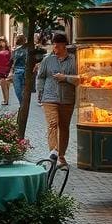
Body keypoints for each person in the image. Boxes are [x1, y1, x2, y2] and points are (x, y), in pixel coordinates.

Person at [36, 33, 78, 166]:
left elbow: (79, 79)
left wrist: (65, 77)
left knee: (64, 127)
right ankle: (53, 153)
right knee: (52, 124)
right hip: (49, 97)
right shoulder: (48, 60)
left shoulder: (73, 60)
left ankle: (61, 155)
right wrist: (40, 94)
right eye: (54, 45)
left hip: (67, 98)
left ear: (64, 45)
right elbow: (41, 76)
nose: (55, 48)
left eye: (58, 45)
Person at [0, 36, 12, 106]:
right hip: (0, 69)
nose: (2, 42)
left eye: (3, 41)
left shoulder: (9, 50)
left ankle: (6, 100)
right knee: (3, 84)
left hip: (7, 68)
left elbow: (11, 60)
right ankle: (5, 99)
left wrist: (11, 69)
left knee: (6, 85)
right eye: (0, 41)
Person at [11, 35, 28, 104]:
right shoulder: (16, 50)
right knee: (20, 90)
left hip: (20, 71)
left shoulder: (17, 50)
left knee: (19, 90)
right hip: (20, 71)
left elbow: (12, 61)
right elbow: (12, 61)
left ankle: (22, 104)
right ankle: (22, 104)